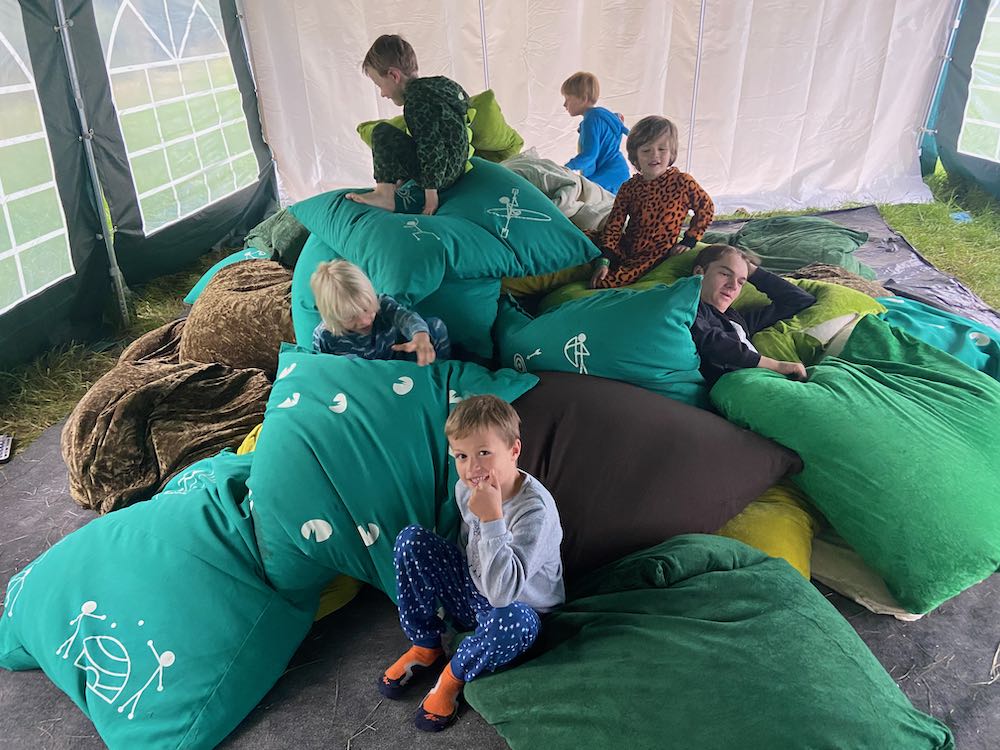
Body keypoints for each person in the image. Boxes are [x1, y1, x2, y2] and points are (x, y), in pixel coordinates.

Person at [380, 395, 565, 732]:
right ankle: (425, 645)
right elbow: (470, 547)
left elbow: (502, 594)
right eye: (462, 456)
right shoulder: (466, 488)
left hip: (520, 608)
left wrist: (493, 519)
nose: (472, 468)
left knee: (514, 621)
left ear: (514, 450)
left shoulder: (534, 511)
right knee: (411, 540)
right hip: (475, 590)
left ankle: (453, 675)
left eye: (484, 453)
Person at [346, 34, 473, 216]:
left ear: (393, 75)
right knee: (407, 140)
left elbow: (431, 146)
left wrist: (431, 197)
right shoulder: (436, 86)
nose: (382, 94)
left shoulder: (416, 102)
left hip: (443, 176)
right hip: (457, 165)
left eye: (380, 85)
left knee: (382, 132)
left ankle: (384, 194)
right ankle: (397, 182)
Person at [590, 115, 714, 289]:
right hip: (627, 245)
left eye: (662, 149)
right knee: (584, 238)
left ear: (672, 153)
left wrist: (689, 240)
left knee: (605, 283)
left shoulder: (682, 182)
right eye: (646, 150)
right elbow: (614, 224)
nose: (654, 155)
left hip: (656, 253)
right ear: (635, 157)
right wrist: (605, 258)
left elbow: (706, 208)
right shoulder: (629, 187)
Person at [690, 244, 816, 386]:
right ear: (699, 272)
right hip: (735, 385)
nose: (733, 286)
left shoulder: (739, 320)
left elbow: (799, 301)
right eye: (725, 274)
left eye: (741, 282)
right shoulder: (690, 308)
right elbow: (712, 342)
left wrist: (752, 271)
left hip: (765, 381)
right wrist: (777, 365)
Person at [310, 260, 449, 364]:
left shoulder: (382, 304)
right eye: (351, 317)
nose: (364, 321)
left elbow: (406, 318)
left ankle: (443, 370)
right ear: (332, 317)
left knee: (435, 327)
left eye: (366, 309)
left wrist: (420, 335)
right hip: (365, 378)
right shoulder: (324, 336)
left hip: (399, 360)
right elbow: (323, 369)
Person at [561, 71, 630, 194]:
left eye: (568, 99)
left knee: (578, 194)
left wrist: (566, 168)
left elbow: (590, 155)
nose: (564, 104)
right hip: (617, 173)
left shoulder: (591, 121)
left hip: (609, 176)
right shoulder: (600, 117)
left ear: (583, 99)